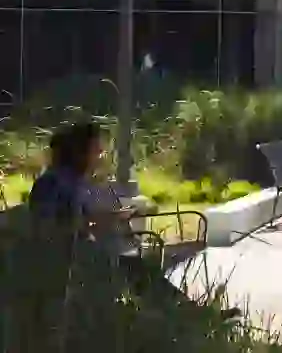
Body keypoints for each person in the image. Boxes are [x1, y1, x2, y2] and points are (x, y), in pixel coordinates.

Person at [27, 121, 240, 319]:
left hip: (83, 257)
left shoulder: (72, 181)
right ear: (79, 152)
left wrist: (111, 218)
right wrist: (101, 220)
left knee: (139, 268)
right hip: (68, 263)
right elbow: (53, 226)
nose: (100, 155)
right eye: (96, 150)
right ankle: (189, 317)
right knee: (138, 270)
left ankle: (188, 315)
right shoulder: (55, 183)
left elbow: (76, 219)